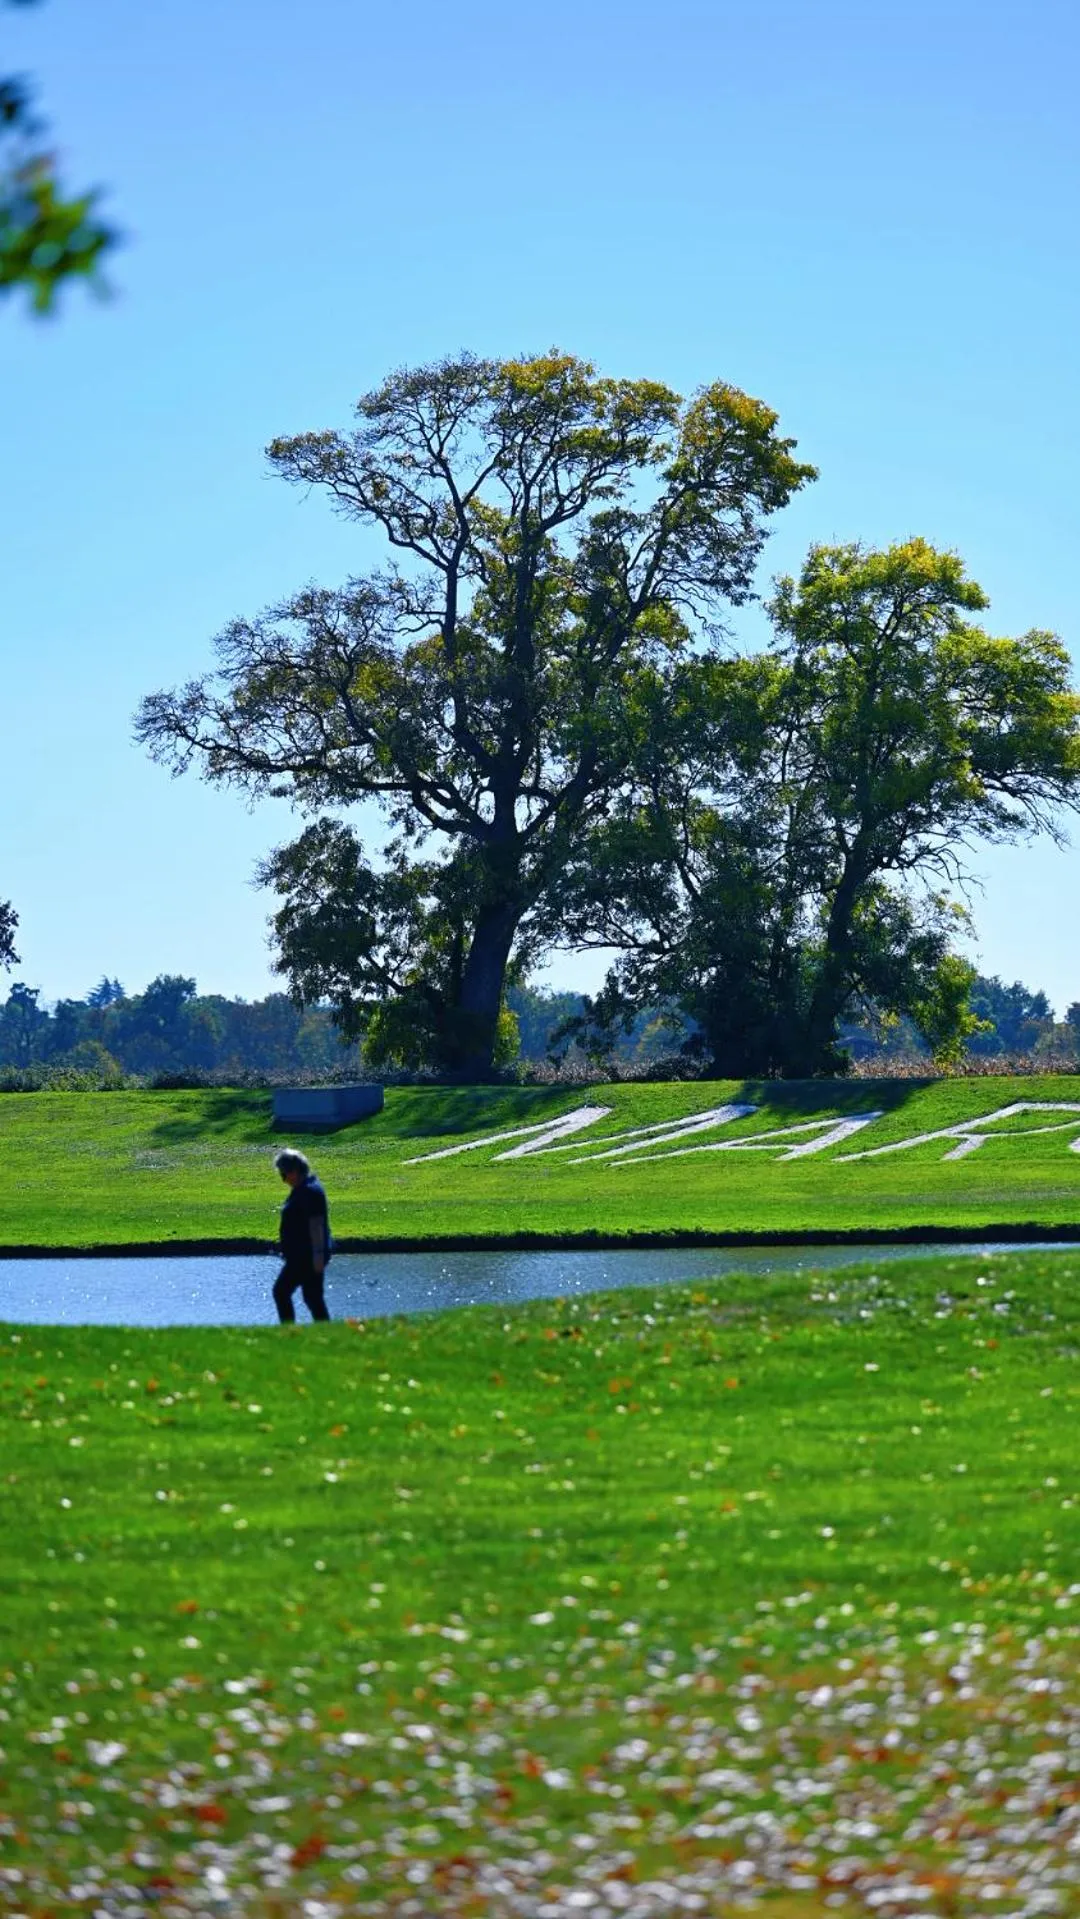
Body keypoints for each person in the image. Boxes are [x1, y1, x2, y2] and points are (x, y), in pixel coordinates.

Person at [272, 1147, 332, 1323]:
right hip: (303, 1255)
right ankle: (326, 1332)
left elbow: (316, 1225)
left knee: (281, 1291)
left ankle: (289, 1331)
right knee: (312, 1297)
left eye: (284, 1174)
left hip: (306, 1256)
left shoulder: (309, 1191)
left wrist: (318, 1256)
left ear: (295, 1171)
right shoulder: (303, 1189)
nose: (283, 1179)